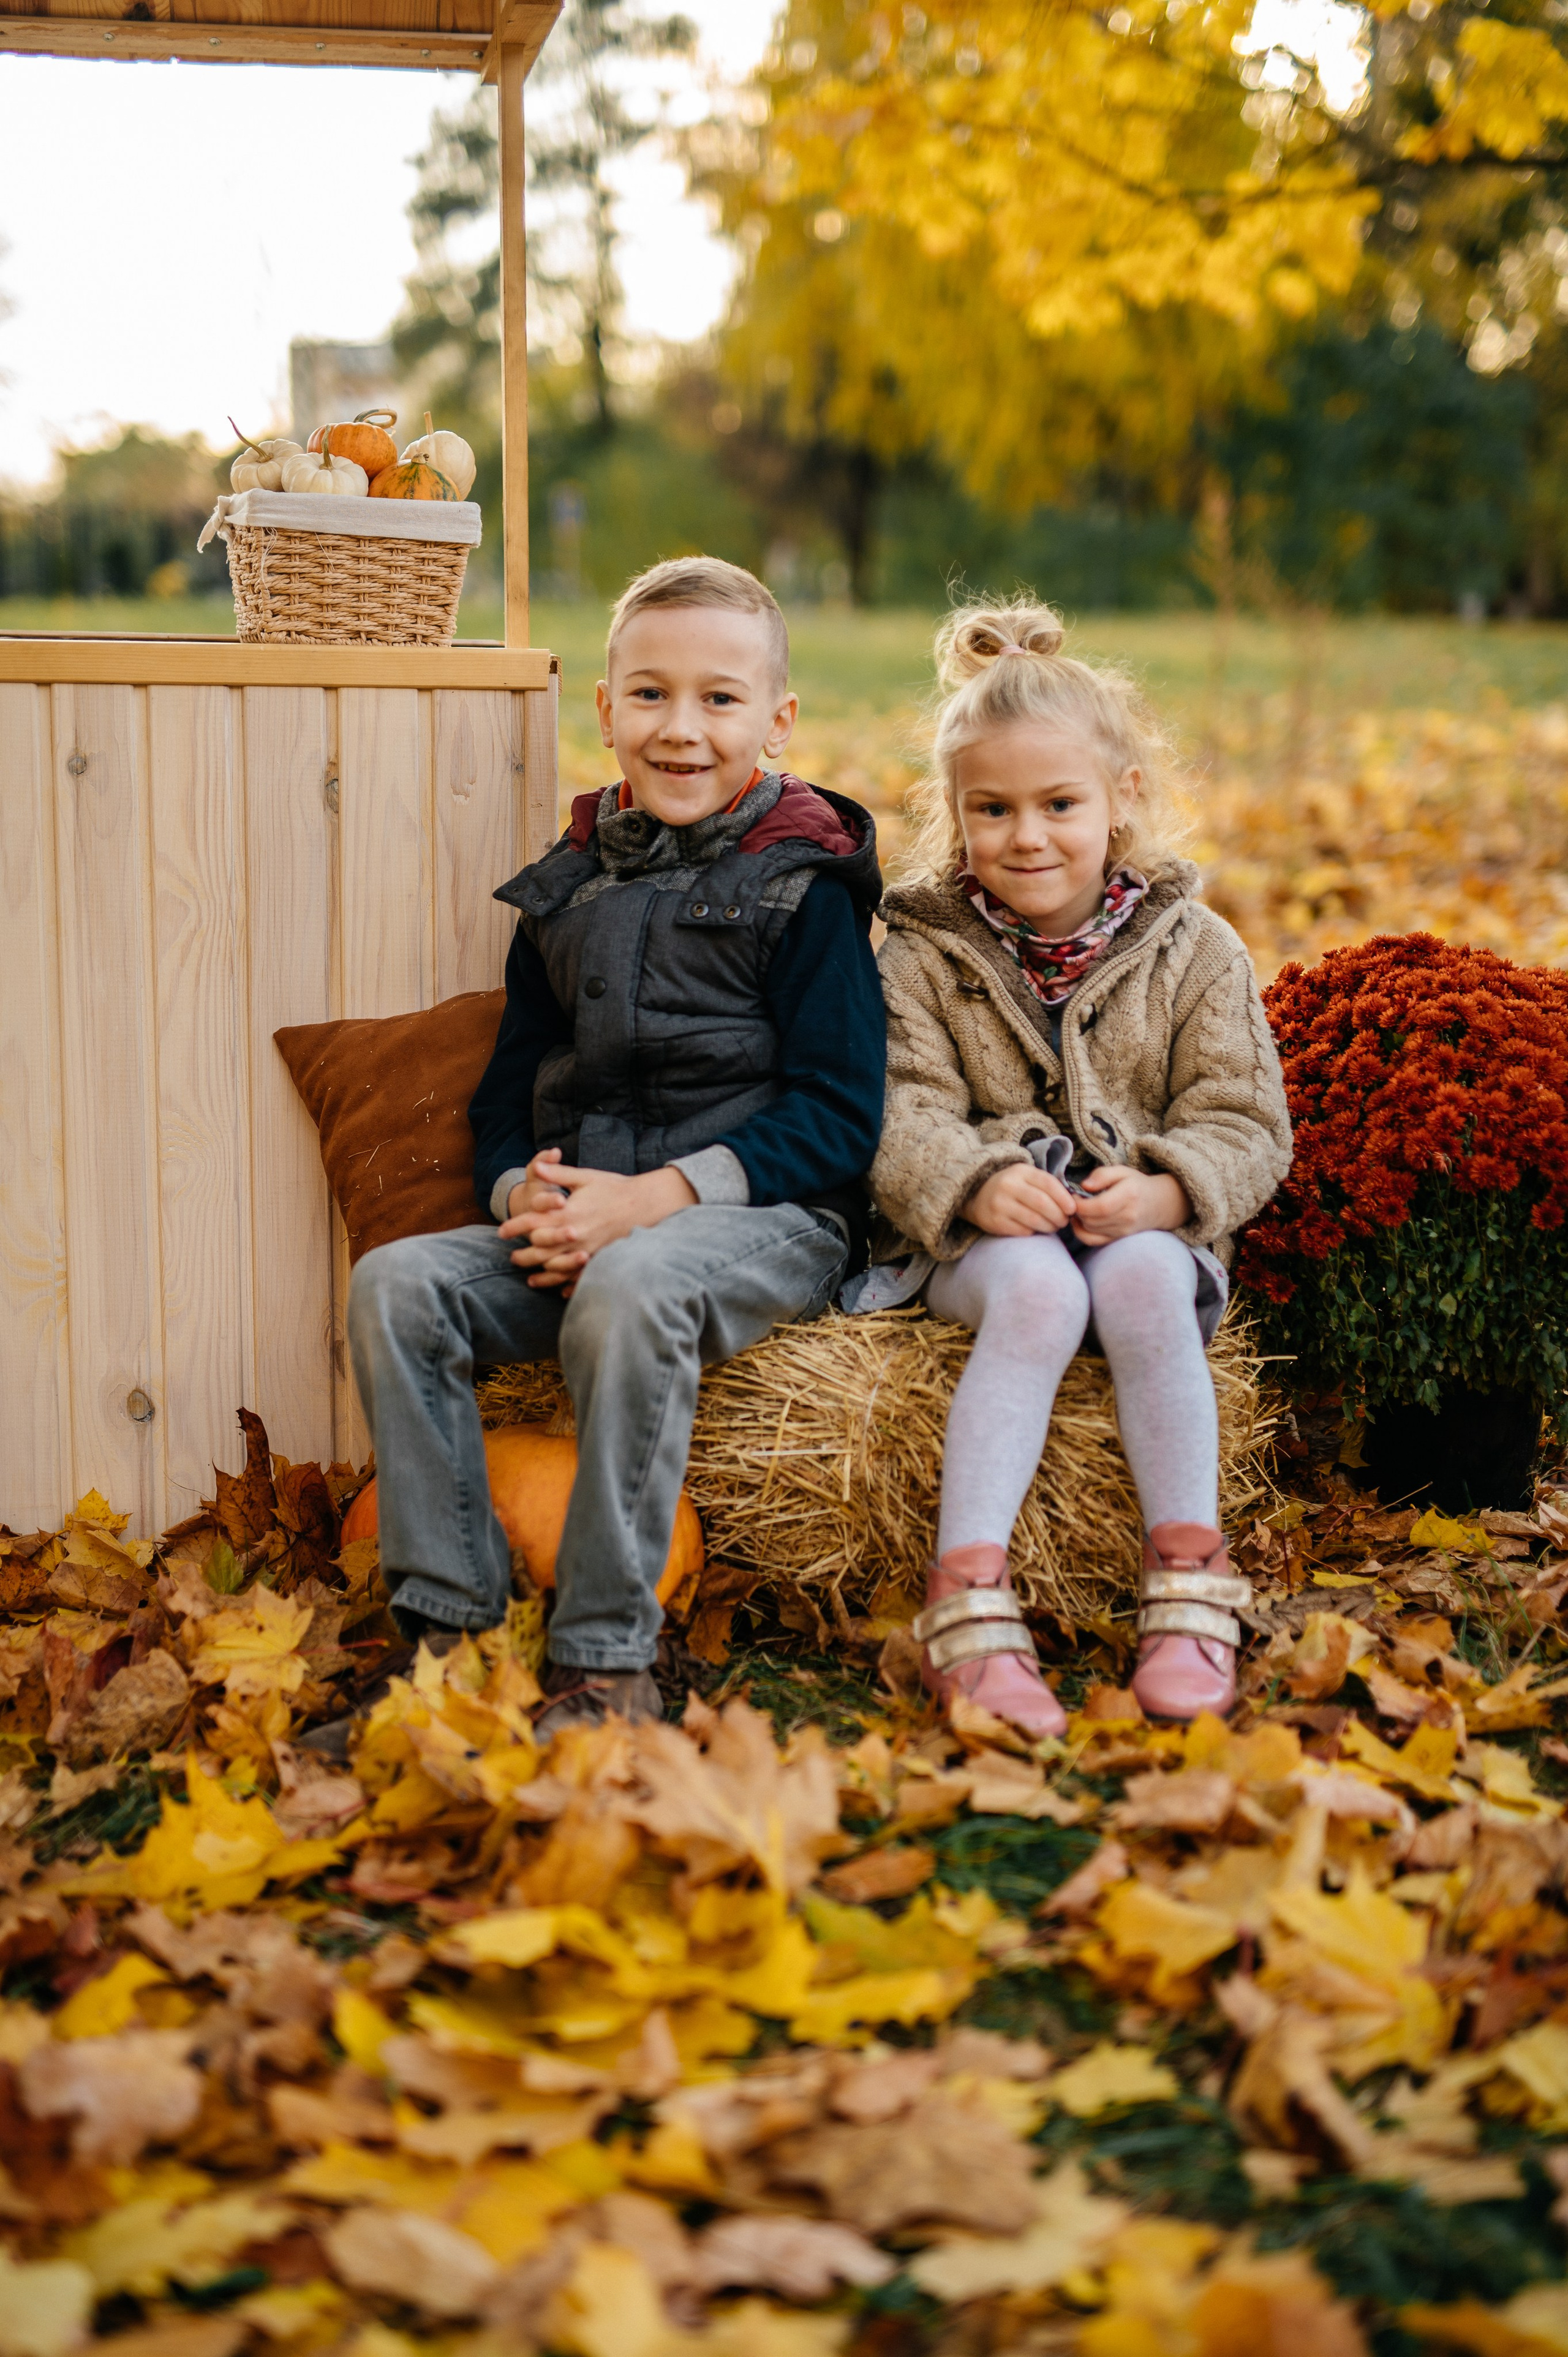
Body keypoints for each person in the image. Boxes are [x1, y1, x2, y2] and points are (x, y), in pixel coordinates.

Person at [344, 557, 884, 1741]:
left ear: (778, 722)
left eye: (720, 700)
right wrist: (518, 1186)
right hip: (590, 1215)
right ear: (605, 711)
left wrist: (658, 1200)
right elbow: (508, 1091)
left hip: (762, 1221)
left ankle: (606, 1662)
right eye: (650, 696)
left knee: (635, 1282)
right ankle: (448, 1637)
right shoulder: (567, 892)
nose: (682, 730)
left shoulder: (805, 888)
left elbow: (844, 1113)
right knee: (399, 1286)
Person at [860, 597, 1291, 1730]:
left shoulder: (1197, 951)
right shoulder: (920, 951)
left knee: (1148, 1278)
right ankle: (969, 1589)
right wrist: (968, 1182)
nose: (1028, 836)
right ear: (955, 819)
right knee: (1044, 1292)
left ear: (1121, 801)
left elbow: (1246, 1118)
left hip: (1133, 1220)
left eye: (1060, 804)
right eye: (992, 810)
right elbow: (895, 1107)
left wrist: (1168, 1187)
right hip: (981, 1238)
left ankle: (1189, 1578)